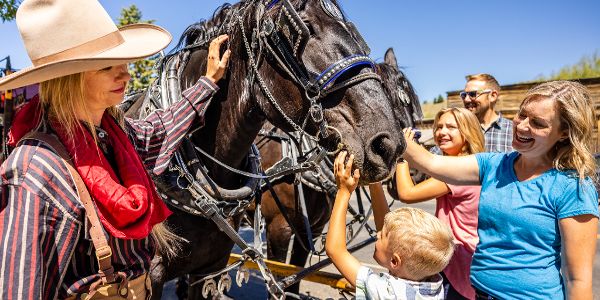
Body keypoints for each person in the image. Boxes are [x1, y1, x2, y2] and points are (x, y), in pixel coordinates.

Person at [0, 0, 231, 299]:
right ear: (67, 78)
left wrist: (208, 82)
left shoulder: (119, 138)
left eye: (124, 62)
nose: (126, 74)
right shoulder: (36, 170)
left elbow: (162, 127)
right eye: (108, 66)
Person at [402, 80, 599, 299]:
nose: (522, 126)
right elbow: (431, 163)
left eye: (538, 123)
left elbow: (578, 279)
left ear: (564, 133)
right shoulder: (494, 164)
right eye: (522, 115)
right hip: (481, 294)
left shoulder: (573, 186)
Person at [326, 151, 455, 299]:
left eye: (382, 235)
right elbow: (391, 235)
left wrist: (343, 192)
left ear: (394, 261)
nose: (378, 233)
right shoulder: (431, 282)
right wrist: (375, 182)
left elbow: (335, 250)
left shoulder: (386, 292)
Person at [395, 107, 484, 300]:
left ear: (467, 132)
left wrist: (402, 154)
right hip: (462, 256)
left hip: (460, 260)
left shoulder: (460, 168)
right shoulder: (467, 163)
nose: (441, 132)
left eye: (451, 127)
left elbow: (407, 193)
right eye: (439, 126)